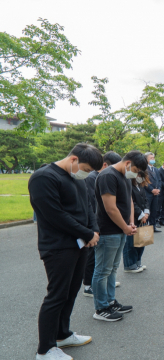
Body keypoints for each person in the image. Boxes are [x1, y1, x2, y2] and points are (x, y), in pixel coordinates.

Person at [29, 143, 103, 360]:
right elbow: (54, 215)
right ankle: (45, 349)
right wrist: (87, 233)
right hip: (58, 246)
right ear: (73, 160)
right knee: (57, 295)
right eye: (87, 169)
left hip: (80, 245)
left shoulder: (76, 178)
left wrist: (94, 230)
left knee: (71, 292)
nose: (87, 174)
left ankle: (62, 334)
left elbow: (89, 206)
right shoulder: (44, 177)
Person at [92, 150, 148, 322]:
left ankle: (110, 301)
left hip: (121, 230)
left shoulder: (124, 175)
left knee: (113, 268)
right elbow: (110, 208)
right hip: (109, 231)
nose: (136, 175)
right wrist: (125, 227)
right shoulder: (108, 176)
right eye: (136, 170)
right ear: (128, 163)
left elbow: (129, 201)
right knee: (103, 270)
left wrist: (130, 222)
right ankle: (101, 307)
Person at [83, 151, 121, 298]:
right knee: (92, 256)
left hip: (97, 222)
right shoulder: (92, 177)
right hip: (93, 222)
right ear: (105, 164)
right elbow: (92, 203)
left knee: (97, 257)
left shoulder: (101, 176)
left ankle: (96, 283)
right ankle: (88, 285)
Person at [122, 171, 151, 273]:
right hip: (133, 218)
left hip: (142, 217)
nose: (140, 177)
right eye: (139, 175)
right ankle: (129, 265)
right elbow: (131, 203)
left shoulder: (140, 186)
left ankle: (137, 262)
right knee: (130, 243)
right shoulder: (129, 185)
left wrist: (146, 212)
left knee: (141, 241)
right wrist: (141, 214)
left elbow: (146, 200)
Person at [143, 152, 164, 233]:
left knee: (154, 210)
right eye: (150, 158)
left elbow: (159, 180)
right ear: (146, 159)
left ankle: (153, 226)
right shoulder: (144, 169)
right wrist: (152, 190)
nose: (152, 159)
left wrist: (158, 189)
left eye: (153, 158)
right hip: (148, 193)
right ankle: (146, 226)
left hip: (156, 194)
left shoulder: (156, 169)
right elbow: (145, 181)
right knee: (147, 210)